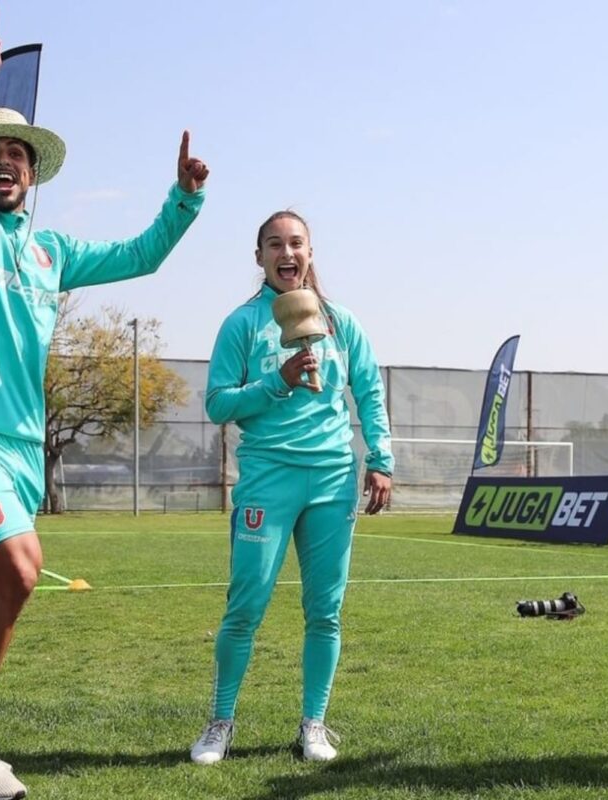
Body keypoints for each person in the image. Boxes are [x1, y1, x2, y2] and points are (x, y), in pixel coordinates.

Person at [0, 5, 208, 798]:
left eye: (19, 154)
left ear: (34, 175)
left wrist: (182, 201)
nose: (5, 161)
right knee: (21, 569)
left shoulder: (51, 250)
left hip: (19, 449)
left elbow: (140, 256)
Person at [190, 210, 393, 765]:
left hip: (331, 481)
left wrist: (381, 460)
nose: (287, 253)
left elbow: (369, 393)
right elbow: (217, 404)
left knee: (325, 611)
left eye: (297, 243)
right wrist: (275, 383)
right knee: (245, 608)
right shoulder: (242, 324)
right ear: (259, 257)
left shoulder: (340, 322)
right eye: (274, 244)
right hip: (266, 481)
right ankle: (220, 722)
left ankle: (314, 724)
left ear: (310, 253)